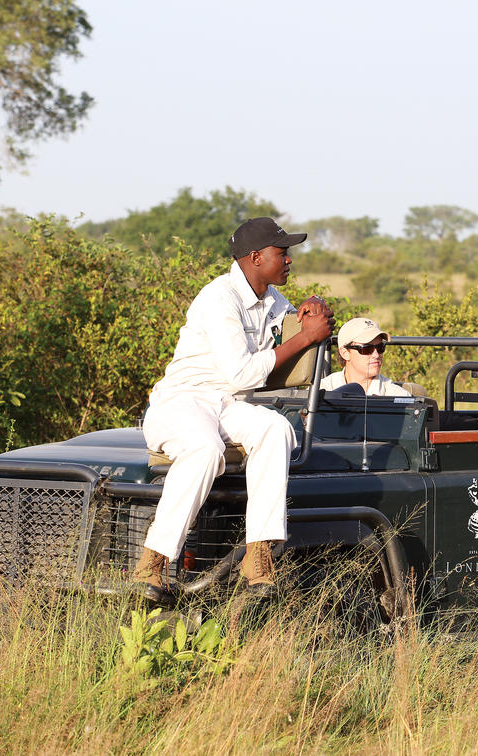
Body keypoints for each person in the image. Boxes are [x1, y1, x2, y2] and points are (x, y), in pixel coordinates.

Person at [132, 217, 335, 603]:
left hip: (227, 404)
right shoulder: (218, 297)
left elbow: (294, 340)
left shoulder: (273, 300)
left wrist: (312, 311)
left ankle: (258, 557)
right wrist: (305, 336)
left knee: (276, 429)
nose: (289, 260)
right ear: (256, 257)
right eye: (283, 252)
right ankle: (153, 563)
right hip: (182, 400)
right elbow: (241, 372)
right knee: (204, 450)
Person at [320, 317, 411, 397]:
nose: (376, 355)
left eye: (380, 347)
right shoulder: (322, 391)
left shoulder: (398, 397)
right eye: (367, 349)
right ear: (345, 353)